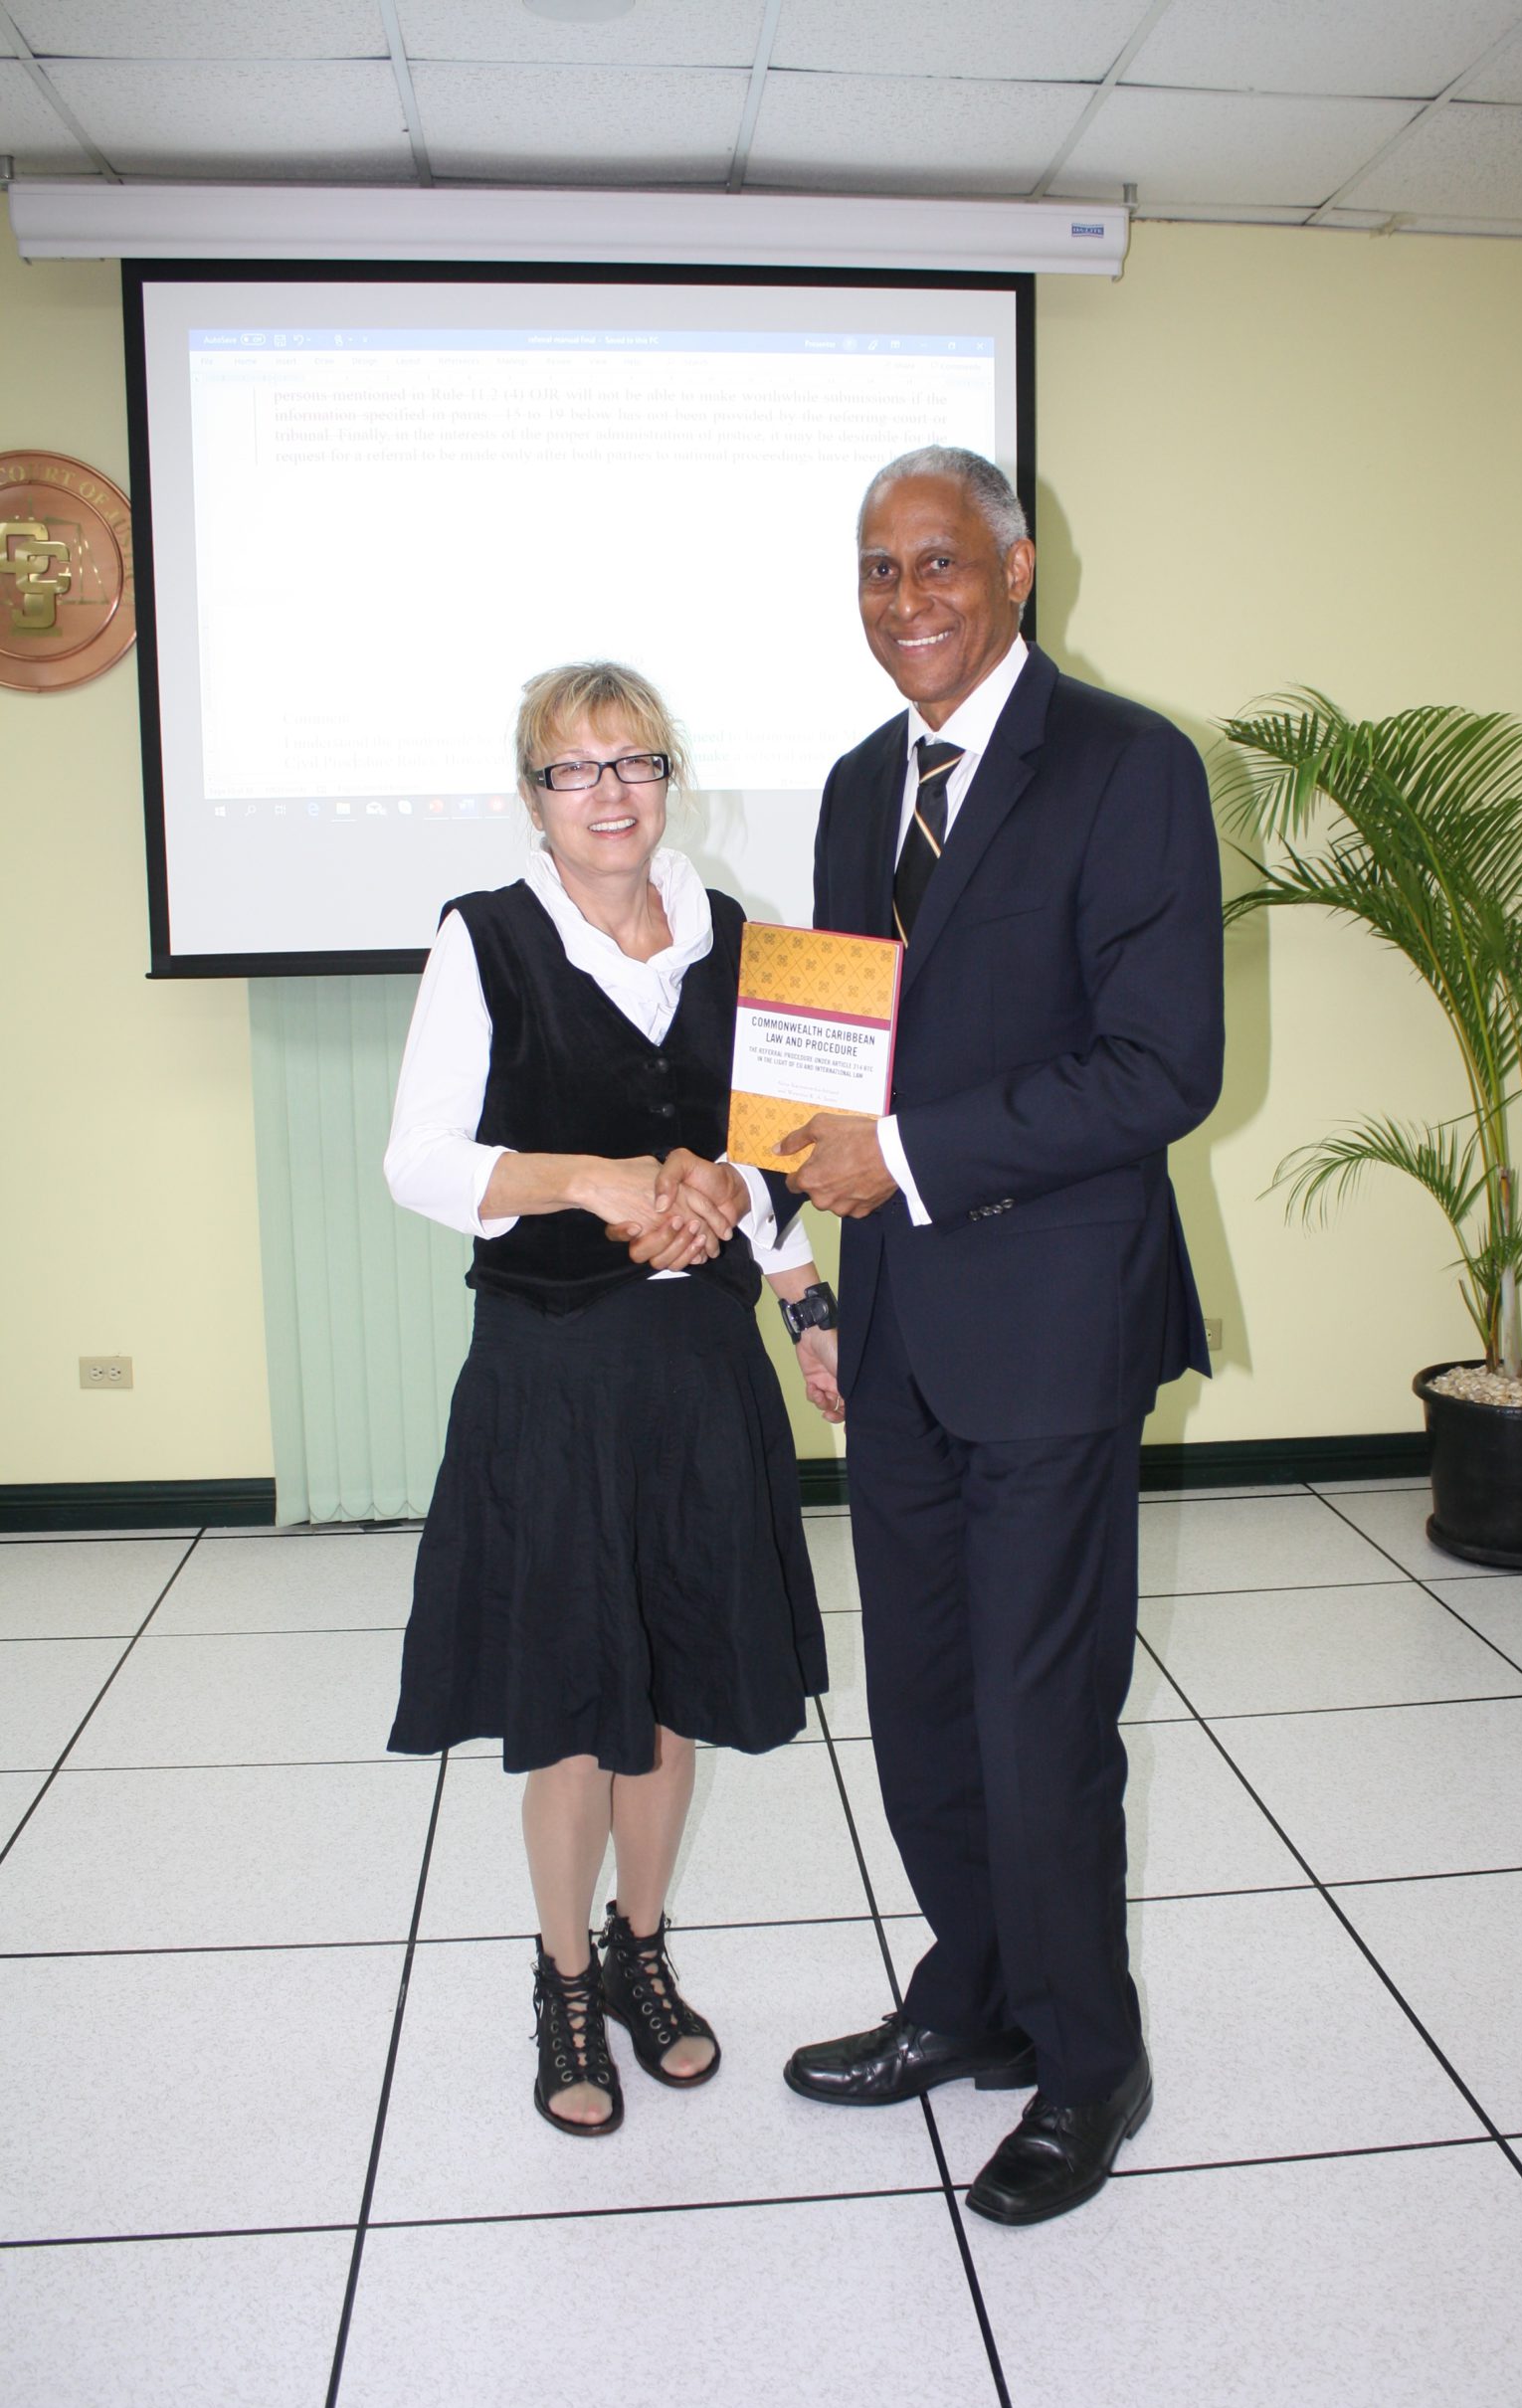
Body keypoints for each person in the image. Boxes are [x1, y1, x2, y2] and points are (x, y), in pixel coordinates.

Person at [695, 446, 1224, 2225]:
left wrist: (908, 1157)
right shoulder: (864, 784)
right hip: (902, 1325)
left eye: (937, 563)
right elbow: (835, 1058)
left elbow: (1162, 1067)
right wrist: (801, 1252)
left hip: (1056, 1319)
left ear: (1014, 570)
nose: (905, 597)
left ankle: (1087, 2063)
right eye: (877, 568)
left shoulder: (1131, 765)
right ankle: (974, 1993)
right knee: (921, 1699)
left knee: (1037, 1709)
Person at [383, 660, 842, 2139]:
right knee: (578, 1700)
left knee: (681, 1677)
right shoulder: (486, 938)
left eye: (634, 761)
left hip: (698, 1367)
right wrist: (593, 1179)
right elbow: (420, 1161)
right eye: (573, 769)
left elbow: (782, 1151)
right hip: (554, 1372)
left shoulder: (744, 939)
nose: (609, 793)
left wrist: (790, 1281)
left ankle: (644, 1950)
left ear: (669, 778)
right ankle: (564, 1977)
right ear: (533, 796)